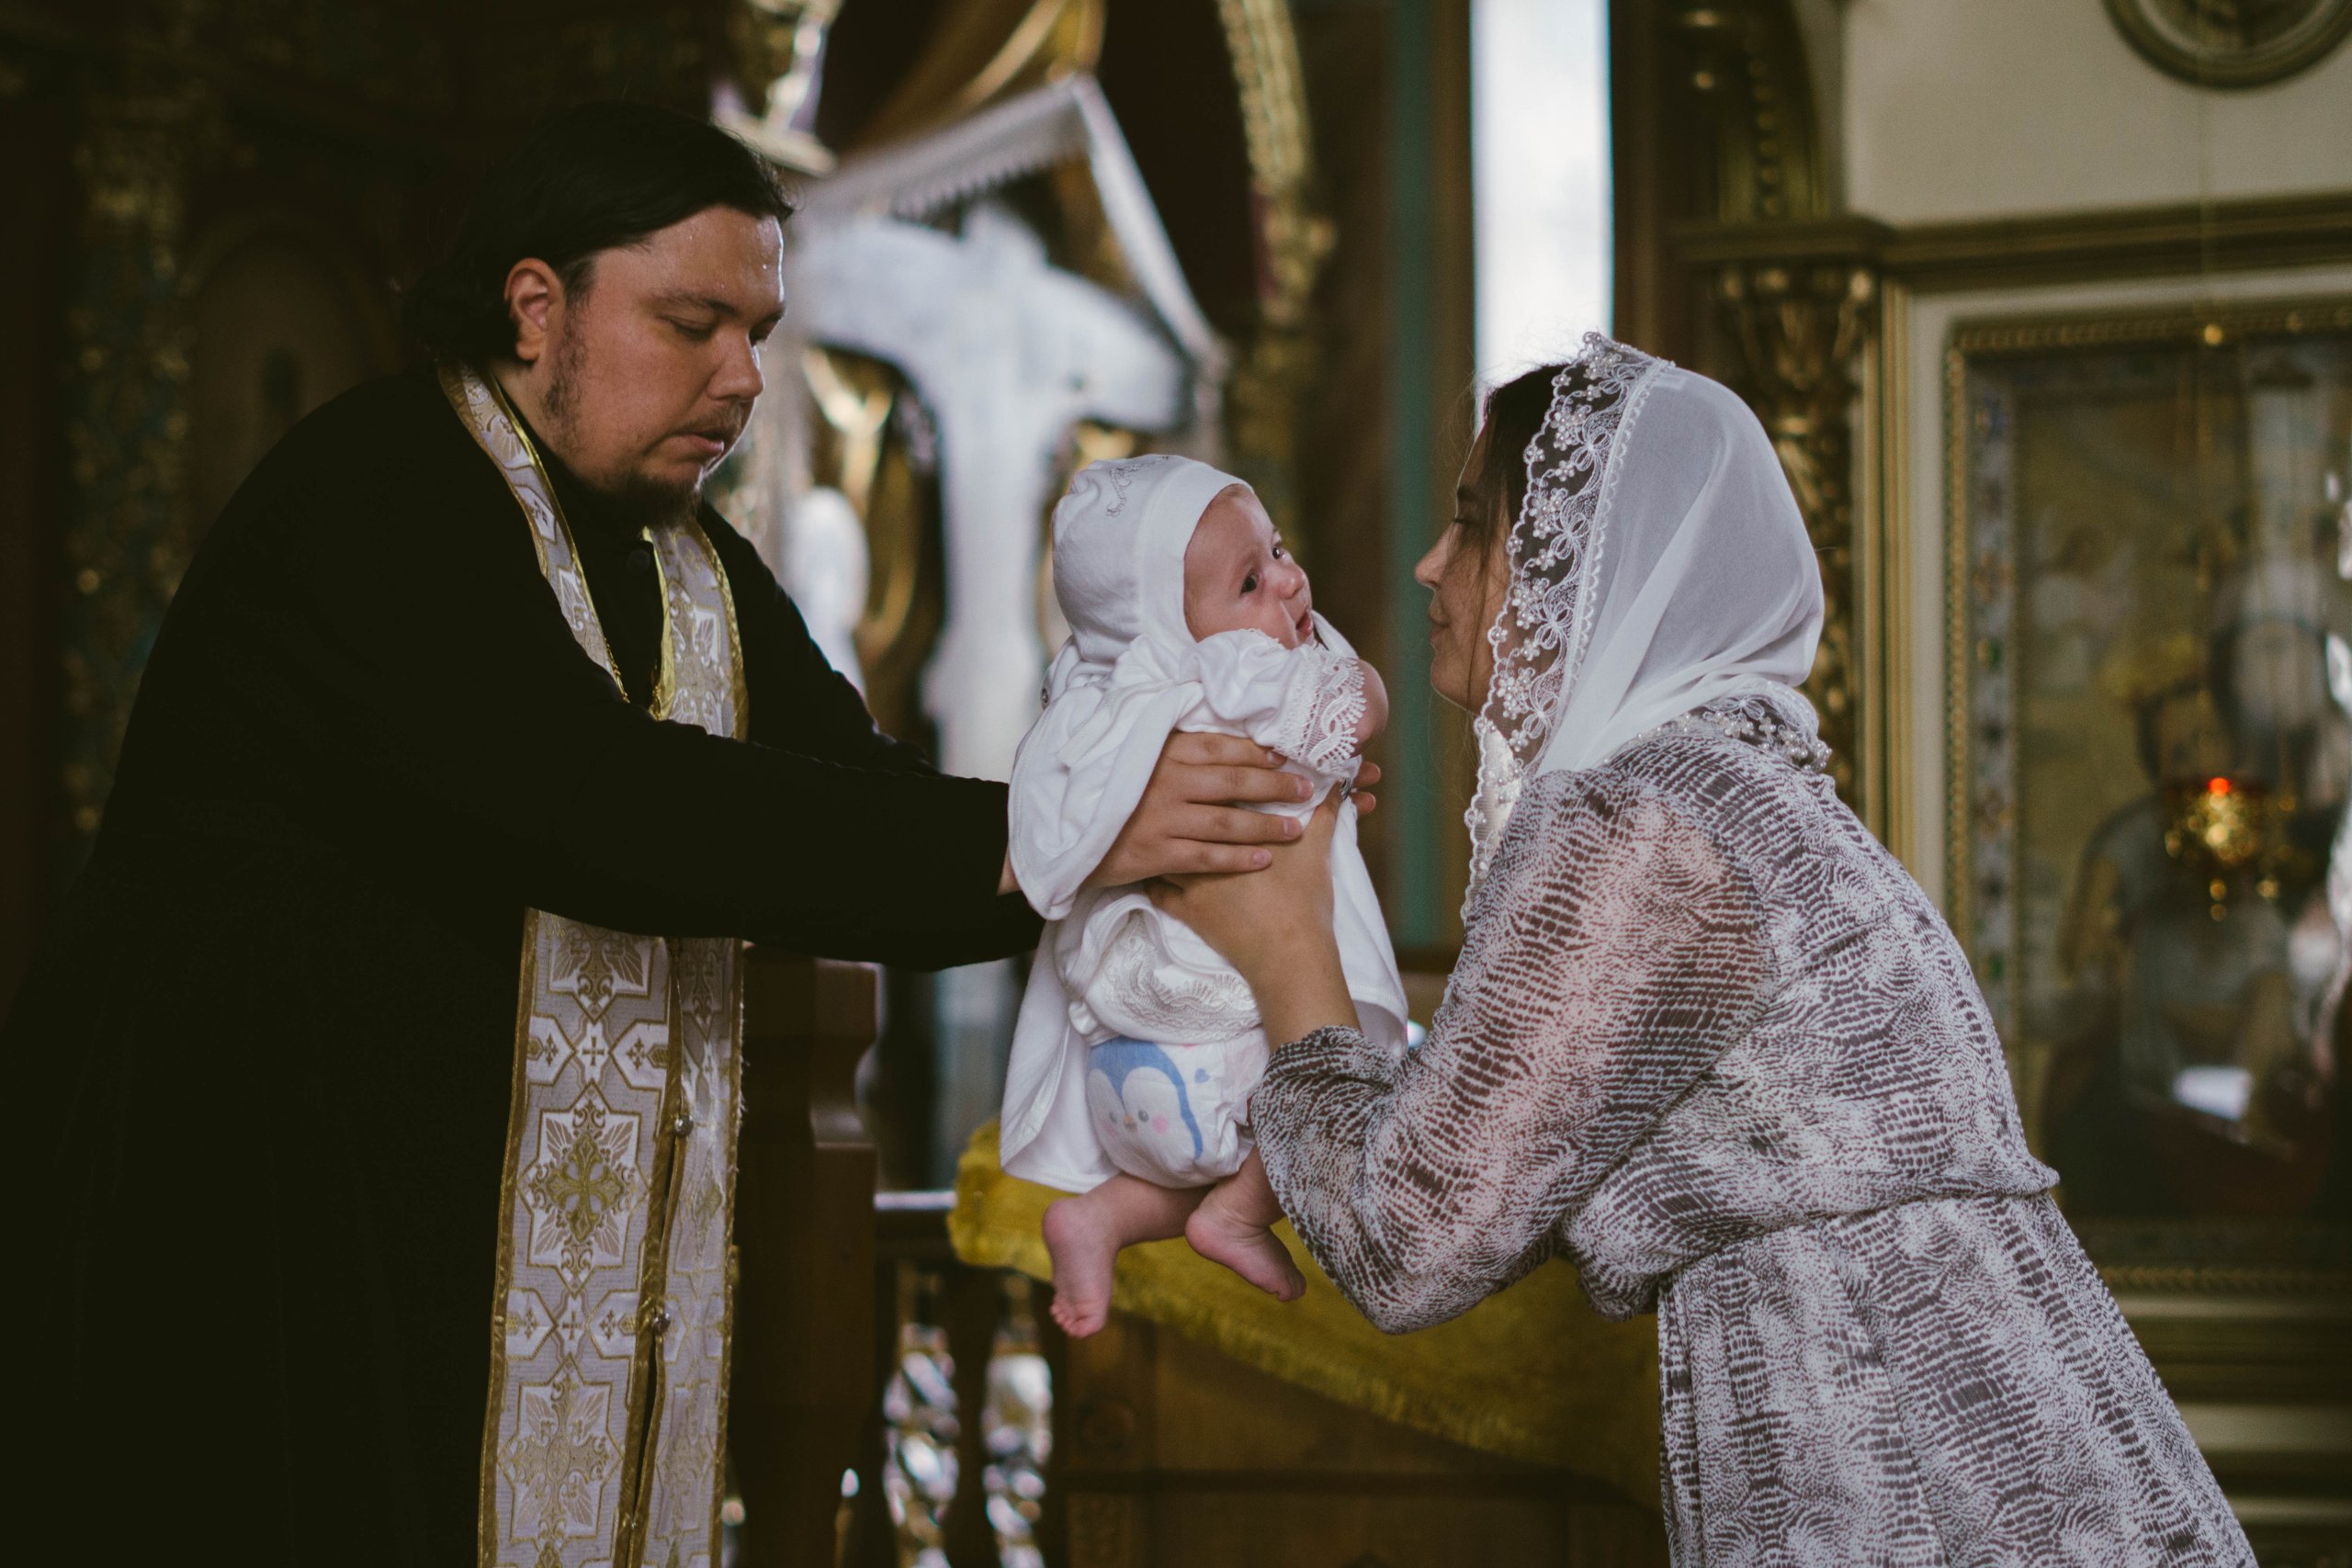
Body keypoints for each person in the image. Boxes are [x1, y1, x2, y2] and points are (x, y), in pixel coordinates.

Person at [7, 102, 1320, 1566]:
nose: (744, 376)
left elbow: (863, 790)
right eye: (692, 322)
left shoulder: (686, 557)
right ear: (534, 307)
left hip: (492, 1246)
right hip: (268, 1227)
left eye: (756, 329)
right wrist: (1067, 839)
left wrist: (1175, 807)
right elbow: (595, 800)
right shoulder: (376, 485)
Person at [1156, 336, 2254, 1564]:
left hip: (1908, 1469)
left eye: (1474, 522)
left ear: (1585, 567)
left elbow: (1411, 1237)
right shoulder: (1724, 789)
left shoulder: (1641, 822)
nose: (1430, 563)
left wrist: (1286, 941)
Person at [1000, 455, 1408, 1337]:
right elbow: (1355, 714)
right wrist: (1356, 673)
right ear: (1173, 629)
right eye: (1253, 579)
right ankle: (1238, 1211)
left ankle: (1100, 1214)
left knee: (1177, 1169)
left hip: (1132, 1069)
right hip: (1225, 1034)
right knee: (1350, 1084)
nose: (1292, 582)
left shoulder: (1090, 701)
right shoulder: (1231, 672)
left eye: (1282, 551)